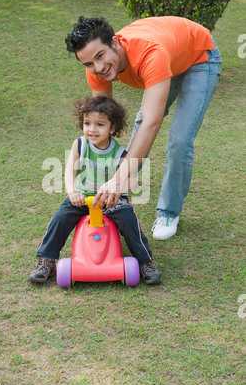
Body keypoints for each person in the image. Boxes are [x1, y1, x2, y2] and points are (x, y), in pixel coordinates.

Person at [65, 16, 222, 240]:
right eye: (89, 63)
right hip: (170, 52)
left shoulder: (151, 55)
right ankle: (116, 192)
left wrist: (117, 179)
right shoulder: (96, 69)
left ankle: (168, 211)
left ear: (115, 43)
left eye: (100, 56)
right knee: (140, 127)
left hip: (198, 57)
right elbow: (102, 123)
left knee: (179, 140)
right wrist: (104, 178)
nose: (97, 68)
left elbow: (152, 123)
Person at [28, 96, 161, 285]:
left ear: (112, 128)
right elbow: (69, 170)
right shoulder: (80, 145)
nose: (92, 129)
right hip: (82, 198)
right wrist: (72, 190)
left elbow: (130, 180)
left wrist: (118, 190)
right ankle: (46, 259)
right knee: (61, 217)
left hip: (111, 201)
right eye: (87, 123)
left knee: (128, 219)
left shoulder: (119, 153)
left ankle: (145, 261)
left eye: (100, 124)